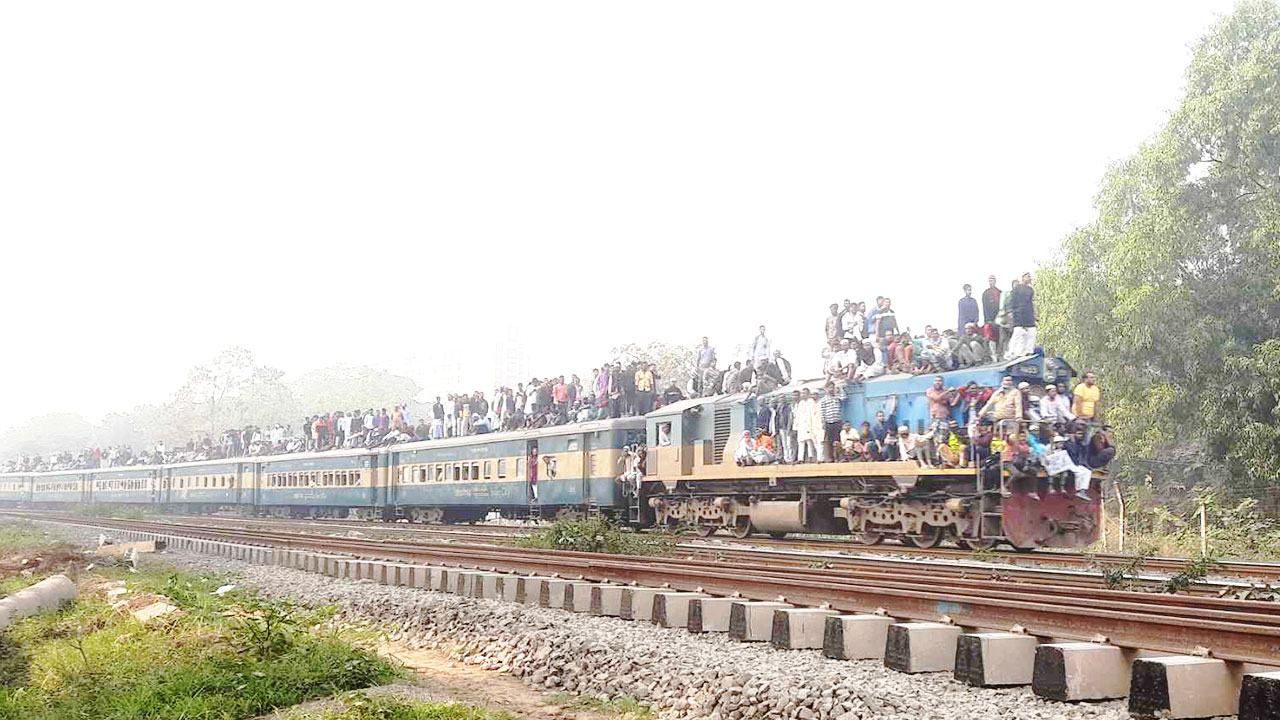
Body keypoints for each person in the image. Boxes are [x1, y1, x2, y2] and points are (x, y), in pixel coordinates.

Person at [1007, 272, 1037, 358]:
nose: (1030, 278)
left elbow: (1031, 302)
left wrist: (1034, 314)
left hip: (1028, 314)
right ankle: (1012, 352)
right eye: (1028, 276)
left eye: (1030, 276)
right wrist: (1010, 312)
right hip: (1018, 313)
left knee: (1032, 332)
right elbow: (1012, 301)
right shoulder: (1017, 288)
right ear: (1023, 277)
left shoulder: (1030, 290)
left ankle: (1028, 351)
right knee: (1018, 332)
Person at [819, 384, 843, 462]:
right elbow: (822, 412)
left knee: (838, 439)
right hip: (828, 422)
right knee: (830, 441)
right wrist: (823, 422)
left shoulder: (837, 397)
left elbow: (844, 398)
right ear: (826, 389)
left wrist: (840, 388)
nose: (831, 389)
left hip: (837, 421)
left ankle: (839, 457)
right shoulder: (823, 400)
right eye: (829, 388)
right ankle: (831, 458)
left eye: (832, 387)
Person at [980, 275, 1002, 359]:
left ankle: (1000, 354)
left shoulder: (1000, 292)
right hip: (990, 318)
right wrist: (987, 320)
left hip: (999, 318)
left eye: (992, 280)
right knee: (991, 337)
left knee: (1000, 336)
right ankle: (993, 355)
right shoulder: (986, 293)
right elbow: (984, 307)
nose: (991, 282)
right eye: (990, 280)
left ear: (995, 281)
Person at [795, 389, 818, 463]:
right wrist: (795, 426)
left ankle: (811, 457)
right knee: (801, 442)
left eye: (804, 393)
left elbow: (812, 414)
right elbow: (798, 415)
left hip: (810, 424)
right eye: (802, 393)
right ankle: (800, 459)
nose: (803, 395)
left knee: (809, 441)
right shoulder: (801, 403)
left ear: (808, 394)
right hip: (801, 425)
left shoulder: (811, 402)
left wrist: (812, 424)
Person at [774, 393, 796, 464]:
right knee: (784, 444)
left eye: (783, 397)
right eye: (780, 398)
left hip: (787, 427)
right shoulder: (778, 407)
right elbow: (776, 418)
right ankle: (787, 459)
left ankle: (791, 458)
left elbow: (790, 418)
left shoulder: (788, 406)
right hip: (781, 428)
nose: (782, 399)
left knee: (789, 444)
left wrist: (789, 427)